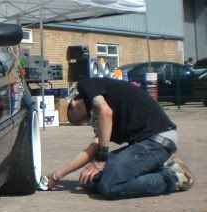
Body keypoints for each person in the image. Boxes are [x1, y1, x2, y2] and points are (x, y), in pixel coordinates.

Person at [47, 77, 194, 199]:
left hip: (158, 138)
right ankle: (155, 167)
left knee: (111, 185)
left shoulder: (87, 85)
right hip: (142, 144)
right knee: (90, 180)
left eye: (77, 119)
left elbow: (105, 112)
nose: (82, 122)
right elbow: (94, 147)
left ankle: (173, 177)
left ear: (74, 102)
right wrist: (56, 175)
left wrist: (101, 160)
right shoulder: (97, 115)